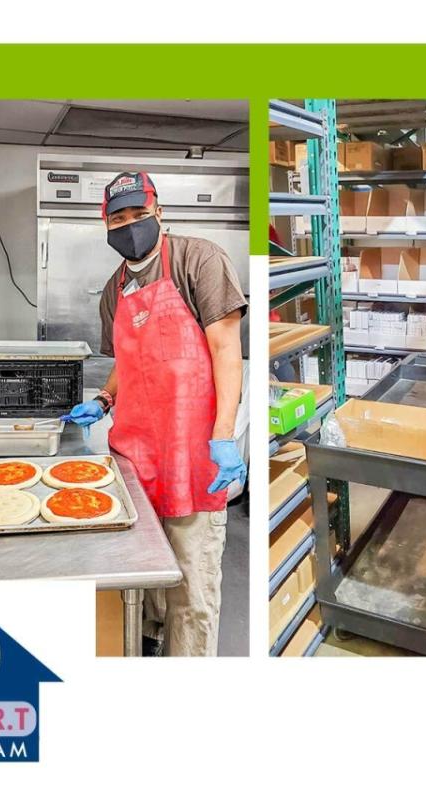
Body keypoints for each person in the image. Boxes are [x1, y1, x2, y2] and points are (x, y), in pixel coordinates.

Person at [63, 171, 249, 657]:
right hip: (134, 456)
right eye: (118, 218)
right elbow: (128, 361)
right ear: (106, 224)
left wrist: (224, 436)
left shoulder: (198, 259)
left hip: (191, 457)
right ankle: (142, 654)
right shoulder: (114, 288)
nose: (130, 226)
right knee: (139, 585)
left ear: (159, 212)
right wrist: (104, 399)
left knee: (191, 585)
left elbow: (227, 349)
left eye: (139, 214)